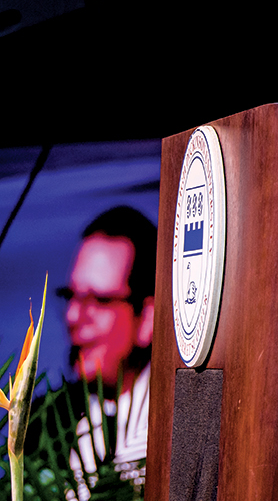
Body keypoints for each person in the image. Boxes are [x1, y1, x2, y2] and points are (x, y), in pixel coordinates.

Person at [48, 206, 156, 494]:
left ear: (148, 318)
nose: (73, 315)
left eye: (98, 300)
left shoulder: (179, 426)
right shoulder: (43, 426)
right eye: (71, 296)